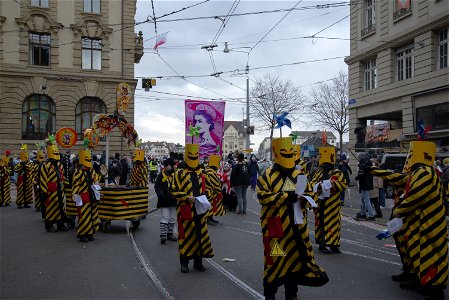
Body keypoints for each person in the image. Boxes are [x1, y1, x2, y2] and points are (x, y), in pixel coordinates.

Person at [373, 141, 448, 300]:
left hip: (428, 225)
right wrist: (373, 170)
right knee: (416, 252)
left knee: (430, 254)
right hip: (419, 223)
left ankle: (434, 289)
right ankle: (416, 278)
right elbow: (398, 178)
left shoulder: (424, 172)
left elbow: (415, 196)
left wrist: (399, 212)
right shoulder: (418, 172)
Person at [257, 137, 329, 300]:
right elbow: (262, 197)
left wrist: (306, 199)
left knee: (295, 263)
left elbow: (311, 195)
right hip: (275, 228)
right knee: (274, 263)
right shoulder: (267, 175)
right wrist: (284, 197)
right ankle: (270, 295)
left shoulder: (300, 175)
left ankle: (292, 294)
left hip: (297, 228)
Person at [171, 143, 214, 273]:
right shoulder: (179, 173)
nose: (194, 158)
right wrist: (186, 197)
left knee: (199, 236)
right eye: (191, 155)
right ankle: (184, 262)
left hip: (200, 210)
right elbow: (173, 190)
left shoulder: (202, 173)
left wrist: (206, 197)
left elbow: (209, 189)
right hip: (185, 210)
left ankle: (198, 261)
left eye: (196, 155)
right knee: (185, 236)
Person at [310, 147, 347, 254]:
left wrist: (332, 184)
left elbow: (343, 184)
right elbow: (312, 184)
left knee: (334, 224)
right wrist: (319, 186)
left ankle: (334, 245)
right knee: (322, 223)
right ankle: (322, 245)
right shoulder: (319, 173)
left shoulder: (337, 173)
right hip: (321, 203)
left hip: (333, 204)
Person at [39, 141, 68, 232]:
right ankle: (49, 225)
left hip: (60, 189)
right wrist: (44, 192)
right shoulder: (45, 166)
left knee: (61, 207)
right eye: (54, 152)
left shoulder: (60, 165)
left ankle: (61, 224)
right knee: (51, 208)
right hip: (50, 191)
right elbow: (43, 179)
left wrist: (68, 184)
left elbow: (62, 177)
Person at [72, 147, 99, 243]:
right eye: (88, 160)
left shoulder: (92, 171)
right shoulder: (78, 172)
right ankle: (83, 234)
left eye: (90, 159)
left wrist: (96, 184)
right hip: (82, 196)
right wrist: (75, 195)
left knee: (91, 214)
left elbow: (96, 179)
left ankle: (90, 232)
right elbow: (75, 184)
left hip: (91, 195)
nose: (90, 161)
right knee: (83, 215)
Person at [155, 158, 177, 244]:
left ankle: (170, 234)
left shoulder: (175, 175)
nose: (167, 167)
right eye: (166, 165)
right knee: (164, 217)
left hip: (173, 200)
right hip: (164, 200)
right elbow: (157, 186)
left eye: (168, 165)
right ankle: (163, 235)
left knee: (172, 218)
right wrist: (161, 195)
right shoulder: (161, 175)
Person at [205, 154, 225, 225]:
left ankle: (210, 218)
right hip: (210, 192)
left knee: (211, 206)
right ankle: (209, 219)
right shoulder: (211, 172)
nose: (219, 164)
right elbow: (215, 184)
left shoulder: (209, 170)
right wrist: (219, 191)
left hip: (210, 192)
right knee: (210, 206)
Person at [355, 153, 376, 220]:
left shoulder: (362, 165)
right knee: (363, 200)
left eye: (358, 158)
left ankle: (371, 214)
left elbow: (361, 175)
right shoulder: (368, 164)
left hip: (364, 184)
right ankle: (363, 213)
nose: (358, 159)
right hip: (368, 184)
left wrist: (356, 177)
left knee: (366, 200)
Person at [15, 144, 33, 209]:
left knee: (27, 191)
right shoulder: (18, 163)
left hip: (27, 179)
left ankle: (26, 203)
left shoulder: (30, 163)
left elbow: (31, 169)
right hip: (21, 178)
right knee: (20, 191)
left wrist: (25, 165)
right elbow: (16, 170)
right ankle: (19, 203)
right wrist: (21, 165)